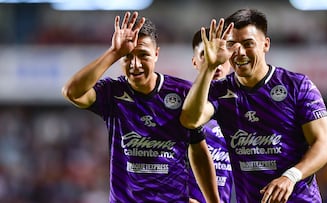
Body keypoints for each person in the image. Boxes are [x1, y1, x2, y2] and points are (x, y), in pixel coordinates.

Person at [62, 11, 220, 203]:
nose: (135, 65)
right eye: (127, 57)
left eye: (143, 55)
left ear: (156, 54)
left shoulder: (182, 92)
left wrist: (213, 201)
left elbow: (198, 149)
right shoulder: (113, 92)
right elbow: (72, 92)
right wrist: (113, 52)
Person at [180, 8, 327, 203]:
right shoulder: (220, 92)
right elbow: (190, 120)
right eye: (232, 45)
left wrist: (291, 176)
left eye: (248, 44)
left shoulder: (297, 85)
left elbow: (324, 144)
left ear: (266, 44)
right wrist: (208, 68)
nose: (240, 52)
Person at [188, 28, 234, 203]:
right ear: (195, 62)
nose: (215, 62)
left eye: (220, 53)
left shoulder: (237, 110)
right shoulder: (182, 108)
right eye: (205, 55)